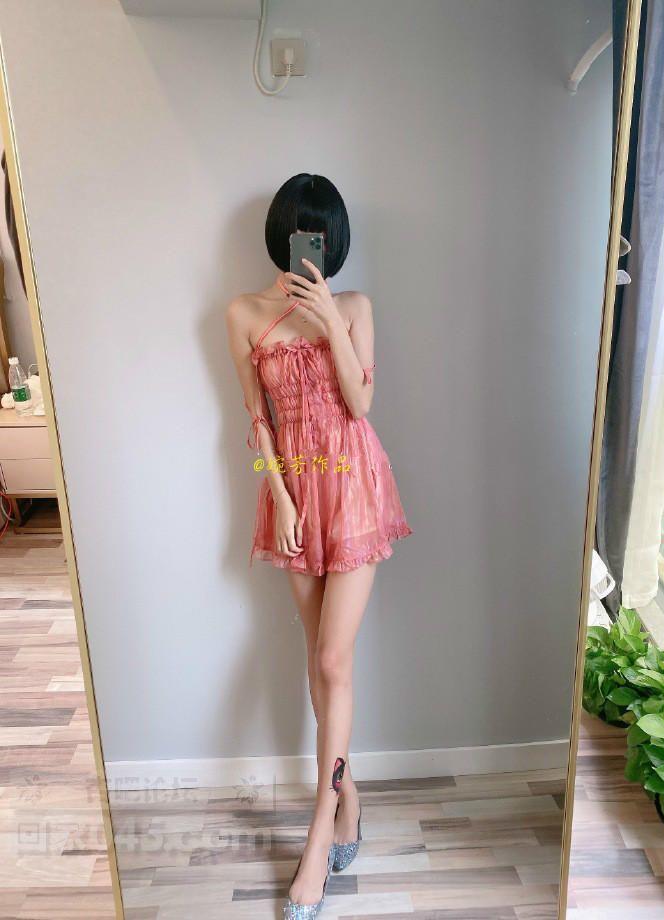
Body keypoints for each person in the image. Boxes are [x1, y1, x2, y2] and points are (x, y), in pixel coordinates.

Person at [226, 173, 412, 917]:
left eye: (325, 235)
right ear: (283, 234)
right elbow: (256, 419)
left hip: (354, 486)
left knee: (333, 660)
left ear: (335, 243)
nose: (315, 245)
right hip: (295, 495)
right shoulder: (244, 313)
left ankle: (318, 834)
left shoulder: (356, 306)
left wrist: (331, 319)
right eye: (305, 232)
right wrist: (278, 497)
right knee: (317, 661)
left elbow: (360, 404)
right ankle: (350, 798)